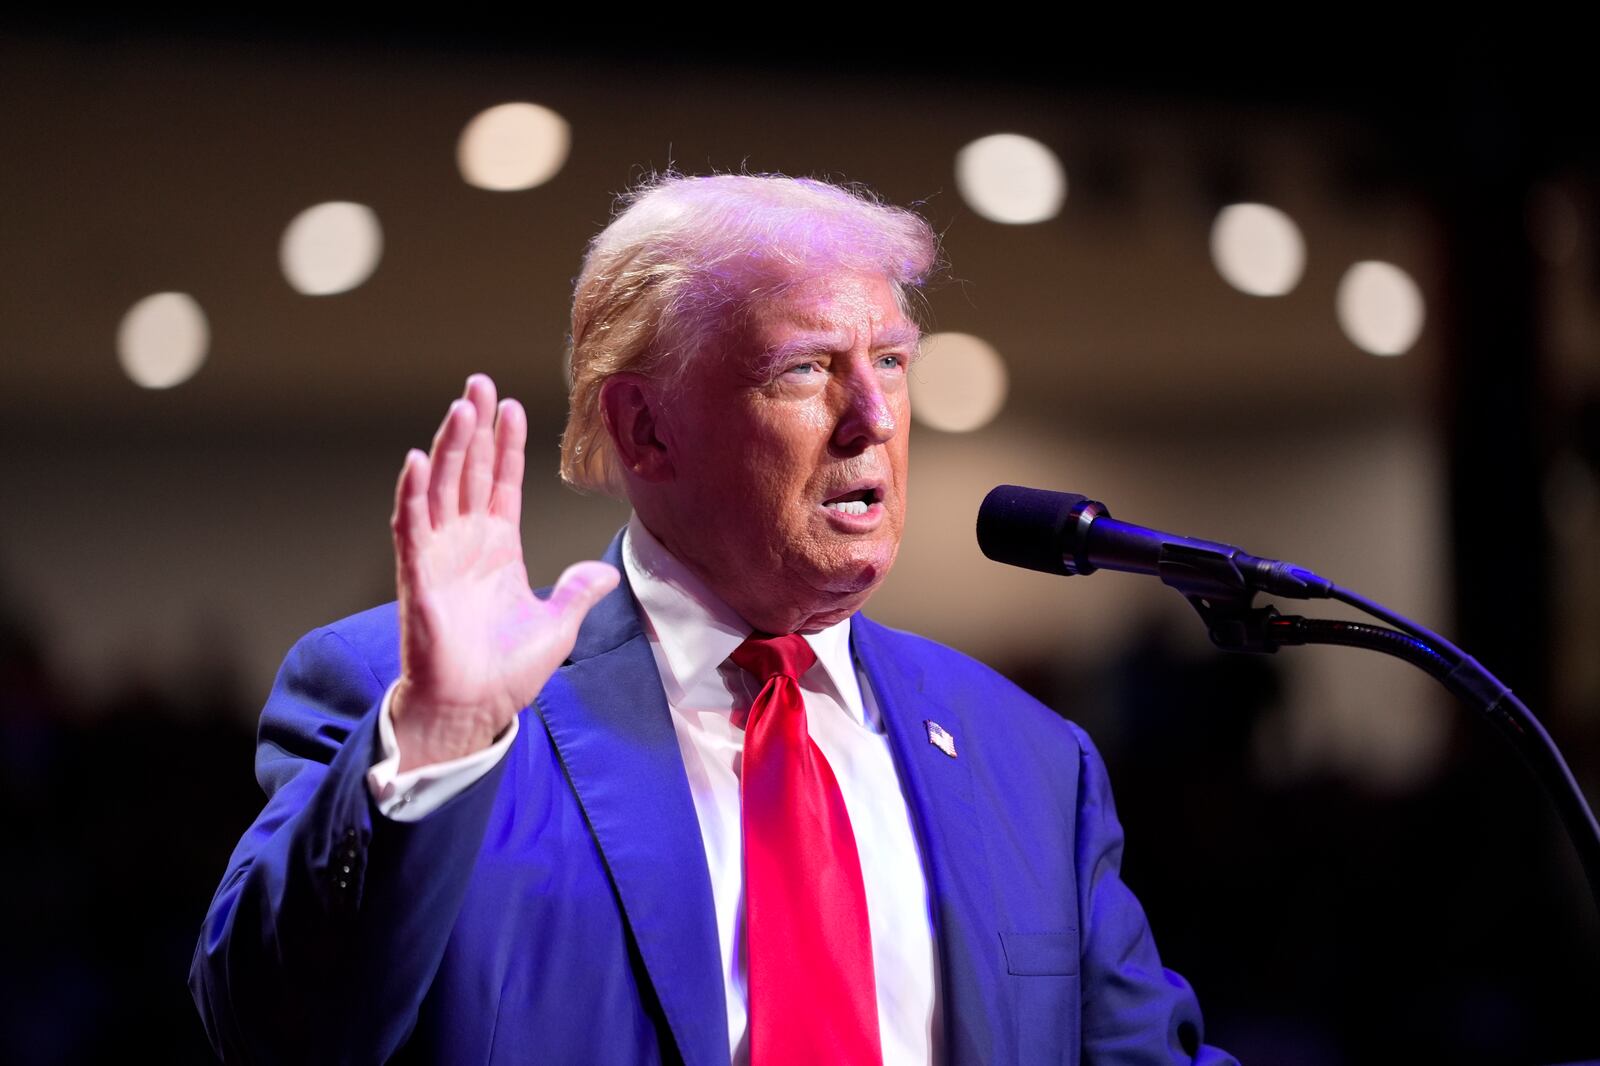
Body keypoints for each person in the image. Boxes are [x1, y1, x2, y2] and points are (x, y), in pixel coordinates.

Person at [191, 174, 1234, 1065]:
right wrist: (440, 741)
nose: (872, 415)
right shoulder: (407, 701)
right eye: (807, 368)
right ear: (645, 429)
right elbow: (276, 1031)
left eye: (893, 361)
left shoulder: (1029, 759)